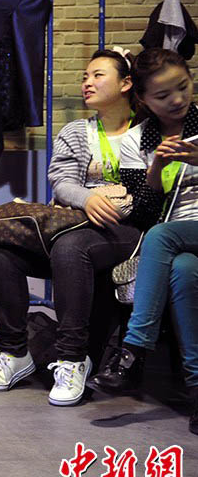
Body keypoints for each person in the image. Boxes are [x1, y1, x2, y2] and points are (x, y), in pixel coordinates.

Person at [0, 49, 142, 406]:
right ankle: (14, 351)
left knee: (71, 247)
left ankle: (71, 358)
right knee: (7, 254)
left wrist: (110, 202)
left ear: (126, 83)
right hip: (77, 224)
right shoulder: (77, 131)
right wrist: (87, 198)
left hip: (125, 232)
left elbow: (148, 190)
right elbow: (62, 183)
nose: (87, 82)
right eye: (85, 76)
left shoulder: (146, 132)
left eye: (98, 75)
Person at [89, 48, 198, 434]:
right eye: (163, 95)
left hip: (176, 234)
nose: (178, 100)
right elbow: (143, 212)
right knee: (183, 271)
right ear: (143, 100)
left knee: (163, 236)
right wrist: (157, 167)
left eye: (183, 87)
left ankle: (133, 349)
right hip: (182, 242)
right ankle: (197, 390)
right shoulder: (139, 140)